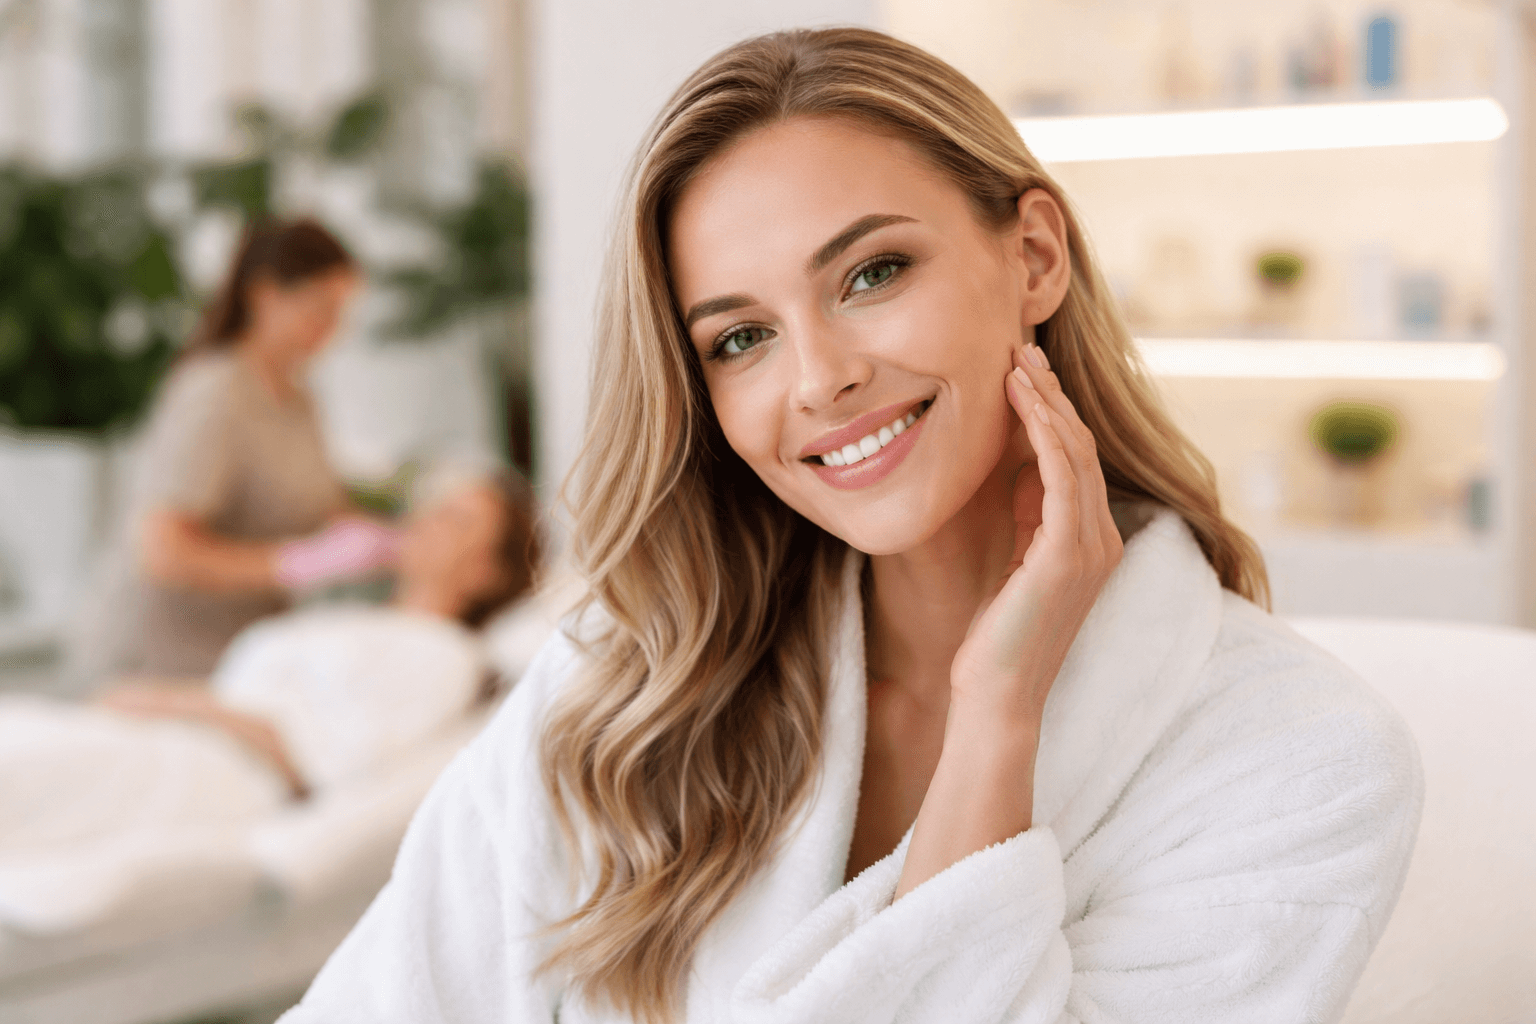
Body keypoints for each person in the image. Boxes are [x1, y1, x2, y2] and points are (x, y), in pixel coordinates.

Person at [283, 28, 1422, 1024]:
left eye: (873, 272)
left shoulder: (1298, 759)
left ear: (1033, 255)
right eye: (740, 339)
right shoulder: (617, 700)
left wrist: (997, 720)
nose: (820, 378)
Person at [0, 470, 542, 910]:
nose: (427, 519)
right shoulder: (353, 617)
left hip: (220, 774)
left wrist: (175, 704)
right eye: (435, 504)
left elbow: (321, 767)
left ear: (488, 574)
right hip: (166, 738)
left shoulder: (443, 657)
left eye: (458, 518)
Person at [74, 217, 396, 685]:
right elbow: (163, 551)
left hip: (240, 656)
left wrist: (381, 539)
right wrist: (294, 564)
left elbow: (316, 507)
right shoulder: (215, 392)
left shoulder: (299, 398)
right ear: (264, 294)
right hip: (159, 663)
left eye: (340, 313)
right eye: (319, 308)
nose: (331, 329)